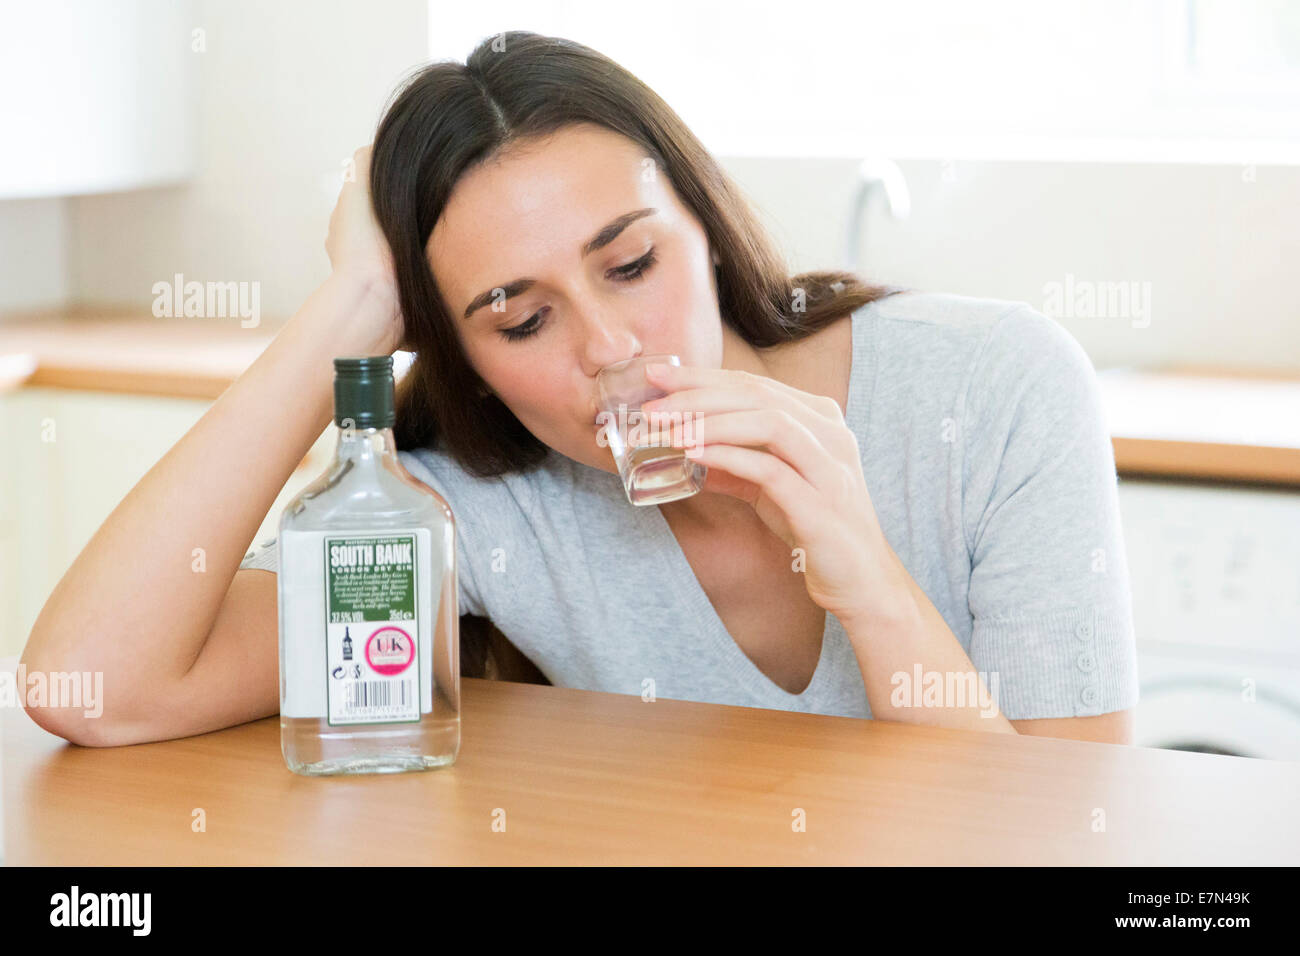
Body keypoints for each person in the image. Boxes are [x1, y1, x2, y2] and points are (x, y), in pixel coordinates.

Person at [20, 31, 1137, 747]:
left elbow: (1061, 841)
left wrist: (871, 582)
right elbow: (89, 687)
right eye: (520, 317)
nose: (607, 346)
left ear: (703, 224)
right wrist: (355, 305)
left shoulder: (993, 390)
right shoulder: (483, 500)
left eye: (633, 263)